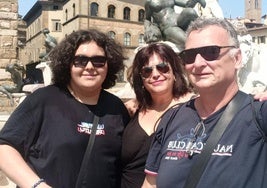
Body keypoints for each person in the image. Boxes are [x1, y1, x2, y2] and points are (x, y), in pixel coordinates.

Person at [142, 17, 267, 188]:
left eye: (211, 51)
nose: (198, 64)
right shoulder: (172, 118)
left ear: (237, 58)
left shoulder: (259, 115)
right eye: (190, 55)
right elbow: (151, 184)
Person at [0, 29, 130, 188]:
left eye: (98, 60)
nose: (89, 66)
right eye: (80, 60)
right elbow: (4, 146)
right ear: (68, 63)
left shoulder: (116, 108)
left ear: (108, 65)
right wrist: (36, 185)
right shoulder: (44, 99)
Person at [121, 42, 193, 188]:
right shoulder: (133, 109)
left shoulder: (194, 107)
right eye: (147, 71)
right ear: (141, 79)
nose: (155, 74)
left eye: (163, 67)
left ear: (174, 72)